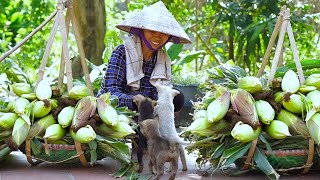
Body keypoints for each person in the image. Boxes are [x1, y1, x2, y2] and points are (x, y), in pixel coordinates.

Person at [97, 1, 191, 113]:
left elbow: (158, 94)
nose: (157, 36)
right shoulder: (122, 52)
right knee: (140, 96)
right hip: (118, 110)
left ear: (169, 36)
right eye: (152, 30)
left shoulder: (163, 59)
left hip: (147, 110)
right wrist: (134, 100)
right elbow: (109, 93)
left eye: (163, 32)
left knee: (177, 97)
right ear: (141, 30)